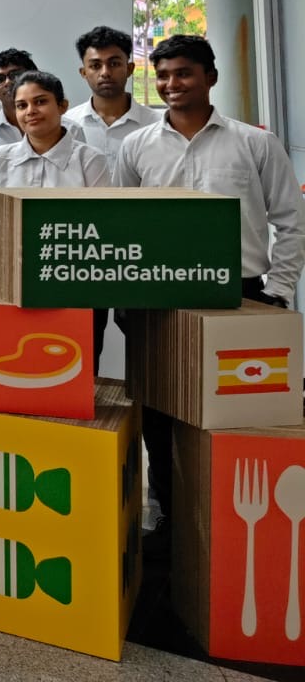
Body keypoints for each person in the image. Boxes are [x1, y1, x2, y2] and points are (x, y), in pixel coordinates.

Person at [118, 34, 305, 530]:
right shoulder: (136, 146)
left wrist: (278, 291)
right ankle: (168, 518)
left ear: (210, 78)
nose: (171, 84)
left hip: (241, 296)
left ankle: (233, 523)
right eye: (162, 75)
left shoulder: (256, 143)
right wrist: (126, 298)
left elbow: (292, 221)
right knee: (159, 413)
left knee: (239, 409)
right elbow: (123, 224)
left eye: (183, 73)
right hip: (158, 298)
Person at [0, 69, 113, 364]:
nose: (30, 111)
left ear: (62, 106)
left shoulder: (89, 159)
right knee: (16, 362)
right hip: (14, 281)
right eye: (22, 105)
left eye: (40, 101)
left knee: (76, 365)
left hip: (77, 284)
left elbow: (99, 225)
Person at [65, 25, 157, 167]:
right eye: (95, 66)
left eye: (114, 64)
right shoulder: (67, 125)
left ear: (129, 69)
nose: (105, 73)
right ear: (83, 73)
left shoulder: (155, 124)